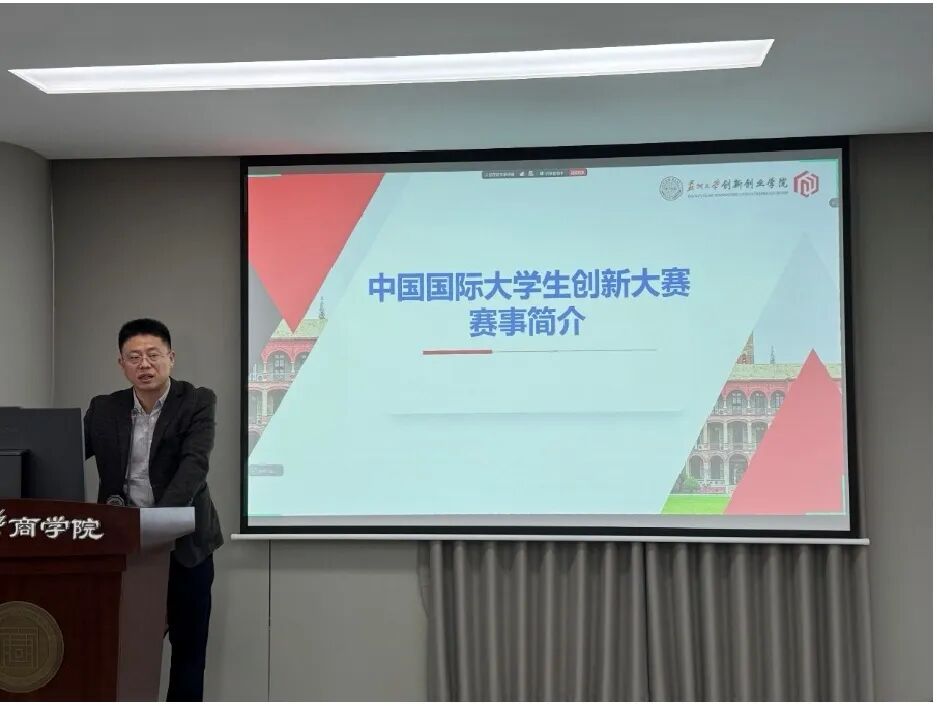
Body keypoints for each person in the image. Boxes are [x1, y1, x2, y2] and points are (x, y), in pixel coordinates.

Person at [83, 318, 223, 701]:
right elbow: (63, 454)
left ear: (170, 358)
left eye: (153, 355)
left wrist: (156, 526)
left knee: (188, 652)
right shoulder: (104, 409)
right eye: (134, 357)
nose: (144, 364)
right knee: (120, 648)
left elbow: (194, 466)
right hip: (124, 550)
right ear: (121, 364)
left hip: (185, 547)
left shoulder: (196, 401)